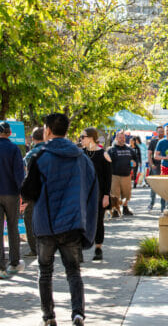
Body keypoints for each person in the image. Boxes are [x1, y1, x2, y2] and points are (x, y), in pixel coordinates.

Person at [21, 113, 98, 326]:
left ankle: (49, 317)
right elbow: (92, 188)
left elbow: (29, 191)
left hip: (46, 224)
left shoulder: (41, 156)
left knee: (45, 272)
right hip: (72, 223)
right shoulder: (82, 158)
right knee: (74, 272)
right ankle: (78, 314)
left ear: (47, 130)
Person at [80, 127, 112, 261]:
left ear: (91, 138)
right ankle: (78, 249)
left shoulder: (103, 154)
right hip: (82, 194)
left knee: (98, 221)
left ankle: (98, 248)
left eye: (83, 137)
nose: (81, 140)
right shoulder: (80, 154)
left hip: (98, 194)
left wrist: (106, 195)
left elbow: (108, 177)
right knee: (81, 221)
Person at [0, 121, 25, 279]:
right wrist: (22, 193)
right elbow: (19, 174)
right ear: (10, 133)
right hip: (11, 193)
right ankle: (14, 261)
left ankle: (0, 265)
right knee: (13, 227)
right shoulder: (14, 149)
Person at [22, 127, 45, 257]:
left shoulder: (31, 154)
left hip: (34, 190)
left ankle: (35, 248)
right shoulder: (51, 151)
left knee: (29, 217)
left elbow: (25, 173)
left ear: (33, 138)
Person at [108, 131, 137, 217]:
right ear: (116, 138)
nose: (122, 139)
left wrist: (134, 163)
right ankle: (115, 210)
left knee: (126, 194)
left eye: (123, 138)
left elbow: (136, 160)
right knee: (115, 194)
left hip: (127, 175)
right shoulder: (111, 150)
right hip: (115, 175)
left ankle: (125, 208)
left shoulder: (130, 150)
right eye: (120, 138)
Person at [147, 126, 166, 212]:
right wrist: (151, 164)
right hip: (155, 166)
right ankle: (151, 203)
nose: (161, 133)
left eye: (162, 131)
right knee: (154, 186)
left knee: (164, 186)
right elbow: (149, 154)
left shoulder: (166, 141)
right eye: (159, 131)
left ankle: (163, 206)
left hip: (164, 166)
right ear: (156, 132)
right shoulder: (153, 141)